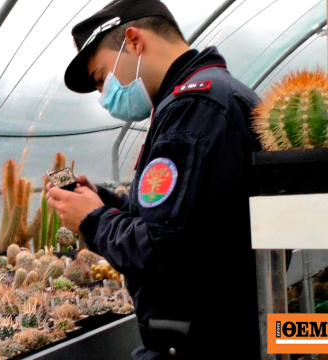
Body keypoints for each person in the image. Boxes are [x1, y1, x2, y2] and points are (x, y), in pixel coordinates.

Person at [46, 0, 262, 358]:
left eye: (102, 78)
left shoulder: (193, 108)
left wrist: (91, 219)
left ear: (134, 41)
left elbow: (159, 248)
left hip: (204, 342)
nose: (104, 96)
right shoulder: (212, 95)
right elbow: (184, 219)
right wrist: (102, 199)